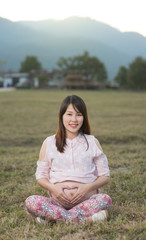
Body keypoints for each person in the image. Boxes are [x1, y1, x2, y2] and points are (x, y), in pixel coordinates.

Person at [25, 95, 112, 224]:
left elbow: (105, 176)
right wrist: (54, 189)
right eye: (69, 114)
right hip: (57, 202)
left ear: (84, 117)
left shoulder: (92, 141)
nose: (74, 119)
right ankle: (86, 220)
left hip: (87, 201)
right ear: (61, 116)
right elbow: (41, 176)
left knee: (105, 199)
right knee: (31, 202)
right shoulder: (49, 142)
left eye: (78, 114)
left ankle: (55, 219)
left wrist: (87, 188)